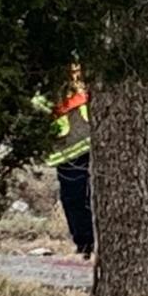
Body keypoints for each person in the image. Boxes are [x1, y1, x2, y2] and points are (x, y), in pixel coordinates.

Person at [33, 78, 94, 257]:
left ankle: (88, 243)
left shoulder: (78, 67)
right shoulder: (41, 74)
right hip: (67, 148)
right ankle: (85, 245)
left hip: (88, 139)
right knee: (75, 198)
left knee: (80, 197)